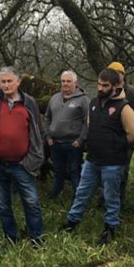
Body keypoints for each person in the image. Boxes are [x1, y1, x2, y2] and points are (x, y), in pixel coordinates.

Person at [62, 68, 134, 245]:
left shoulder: (124, 108)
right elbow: (89, 125)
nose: (100, 88)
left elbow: (133, 135)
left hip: (112, 163)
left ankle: (110, 228)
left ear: (115, 86)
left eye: (105, 85)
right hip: (92, 160)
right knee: (82, 192)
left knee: (111, 197)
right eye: (99, 84)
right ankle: (72, 221)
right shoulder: (94, 103)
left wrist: (116, 146)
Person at [0, 67, 45, 247]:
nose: (6, 85)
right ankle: (11, 238)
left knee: (31, 202)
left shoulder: (29, 103)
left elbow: (38, 133)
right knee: (2, 205)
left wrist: (32, 159)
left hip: (22, 164)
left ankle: (37, 239)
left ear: (18, 82)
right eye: (2, 82)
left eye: (9, 81)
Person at [107, 61, 134, 203]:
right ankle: (106, 199)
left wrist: (129, 126)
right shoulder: (106, 91)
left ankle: (118, 202)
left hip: (126, 140)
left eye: (116, 73)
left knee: (121, 171)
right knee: (107, 170)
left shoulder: (133, 93)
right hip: (108, 139)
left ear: (123, 75)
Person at [44, 70, 89, 199]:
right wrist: (48, 136)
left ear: (75, 83)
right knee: (58, 171)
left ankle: (78, 197)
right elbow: (47, 118)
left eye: (68, 81)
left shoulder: (83, 100)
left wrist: (81, 139)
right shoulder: (54, 98)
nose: (65, 84)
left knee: (75, 171)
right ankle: (56, 195)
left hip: (73, 143)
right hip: (55, 142)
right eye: (63, 81)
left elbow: (88, 122)